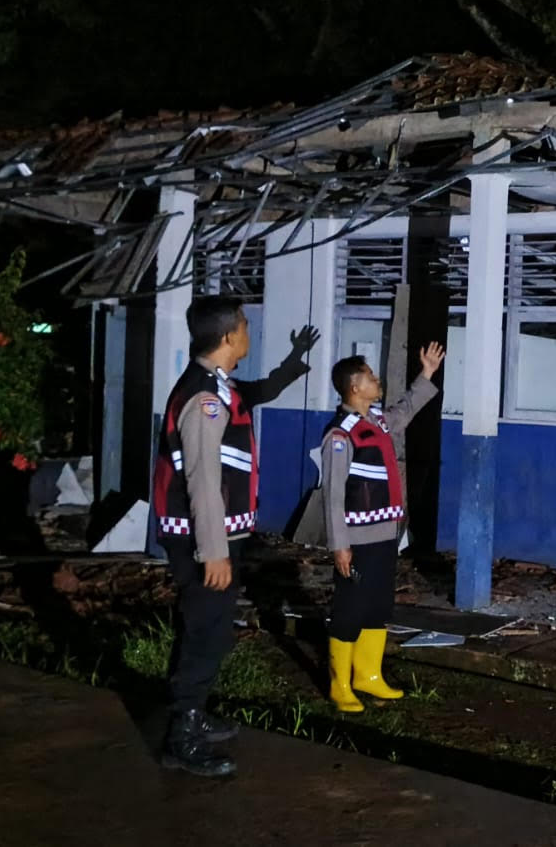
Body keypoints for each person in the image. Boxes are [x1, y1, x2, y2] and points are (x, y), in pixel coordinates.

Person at [151, 297, 317, 776]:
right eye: (244, 326)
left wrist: (294, 362)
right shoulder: (203, 399)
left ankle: (193, 716)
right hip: (205, 538)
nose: (248, 332)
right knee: (206, 631)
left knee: (209, 629)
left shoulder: (219, 388)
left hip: (217, 535)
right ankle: (182, 737)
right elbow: (202, 478)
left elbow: (260, 390)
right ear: (228, 337)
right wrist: (214, 551)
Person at [320, 342, 444, 712]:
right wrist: (339, 545)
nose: (377, 381)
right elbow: (333, 496)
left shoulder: (375, 421)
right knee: (349, 608)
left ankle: (368, 676)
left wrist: (426, 375)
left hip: (385, 533)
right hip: (356, 540)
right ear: (354, 387)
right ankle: (340, 683)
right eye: (371, 377)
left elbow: (405, 410)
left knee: (377, 605)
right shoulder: (341, 434)